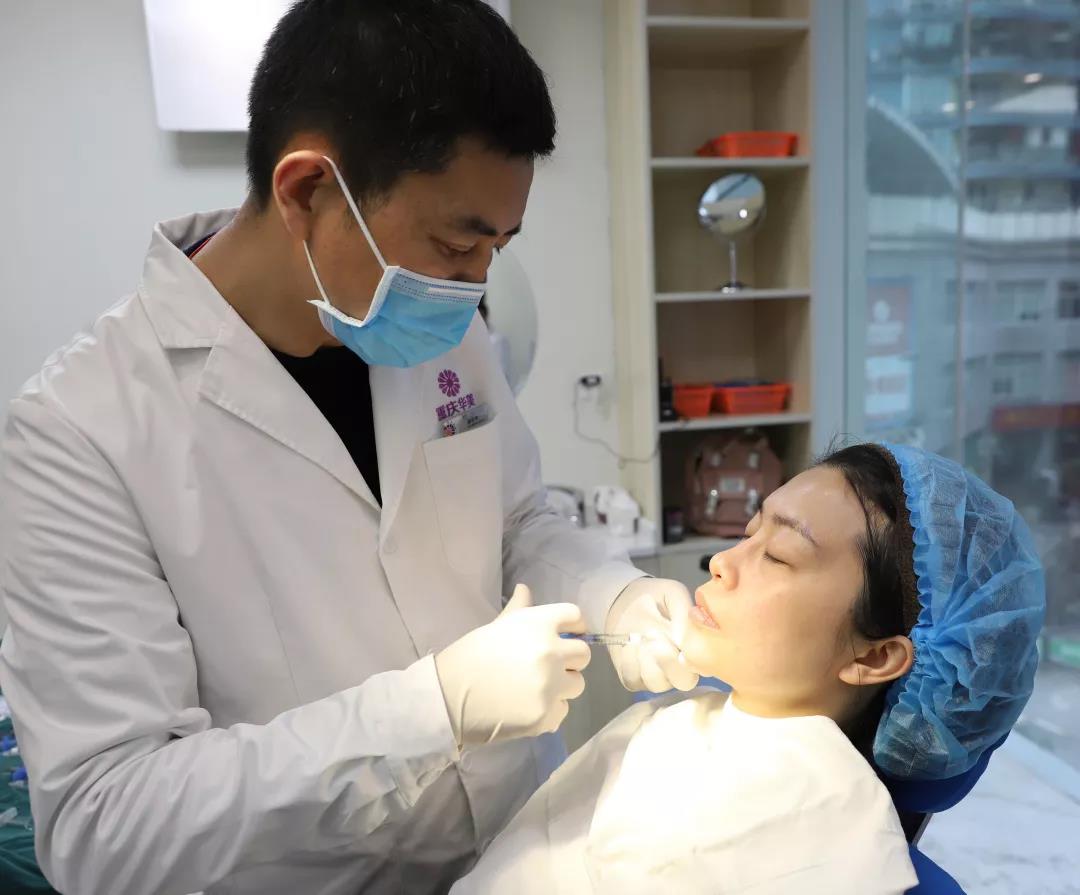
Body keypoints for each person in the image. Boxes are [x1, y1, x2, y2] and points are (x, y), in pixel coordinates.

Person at [0, 3, 698, 893]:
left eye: (499, 246)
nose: (476, 283)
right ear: (307, 191)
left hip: (528, 853)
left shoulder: (442, 321)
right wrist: (430, 711)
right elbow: (108, 824)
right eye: (457, 242)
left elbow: (515, 520)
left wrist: (611, 589)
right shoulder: (78, 430)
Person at [450, 443, 1046, 894]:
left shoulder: (816, 839)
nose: (722, 561)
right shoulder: (674, 726)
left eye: (779, 556)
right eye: (748, 531)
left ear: (874, 656)